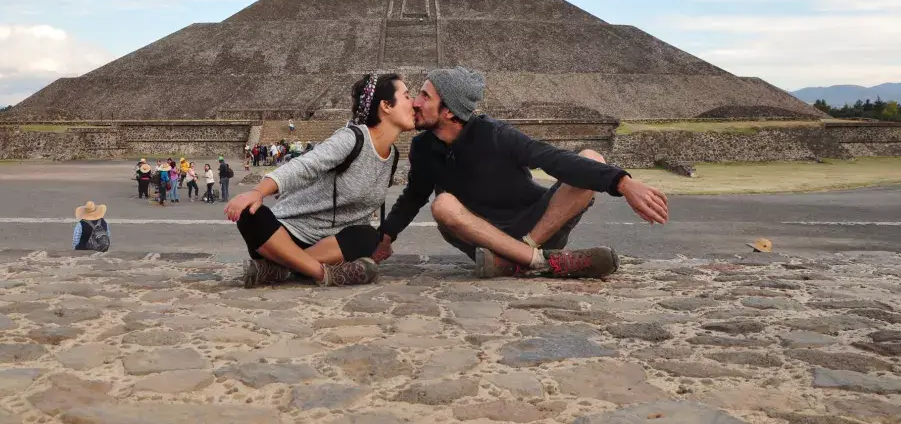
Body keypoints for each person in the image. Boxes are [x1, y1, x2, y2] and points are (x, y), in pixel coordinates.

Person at [374, 67, 669, 279]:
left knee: (593, 158)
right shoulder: (423, 147)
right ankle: (542, 262)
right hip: (484, 238)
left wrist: (622, 182)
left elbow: (552, 158)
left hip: (537, 226)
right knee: (443, 205)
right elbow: (414, 195)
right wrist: (386, 237)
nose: (414, 102)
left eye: (425, 96)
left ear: (449, 110)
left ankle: (522, 257)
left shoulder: (496, 134)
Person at [224, 73, 414, 288]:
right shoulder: (352, 138)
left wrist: (383, 242)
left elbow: (362, 213)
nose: (414, 103)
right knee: (251, 214)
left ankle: (280, 269)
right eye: (407, 96)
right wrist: (258, 192)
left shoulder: (392, 155)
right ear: (386, 106)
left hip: (331, 244)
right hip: (286, 235)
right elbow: (305, 165)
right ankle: (324, 274)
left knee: (369, 235)